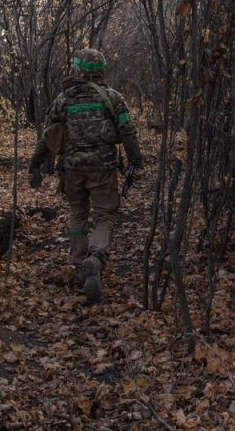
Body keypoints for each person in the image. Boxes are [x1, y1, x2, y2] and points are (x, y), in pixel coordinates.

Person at [27, 48, 143, 303]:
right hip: (102, 169)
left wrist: (34, 164)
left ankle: (80, 264)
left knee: (78, 213)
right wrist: (136, 160)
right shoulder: (112, 98)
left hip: (72, 170)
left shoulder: (64, 99)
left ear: (79, 70)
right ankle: (96, 257)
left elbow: (48, 136)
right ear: (101, 71)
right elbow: (127, 131)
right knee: (104, 215)